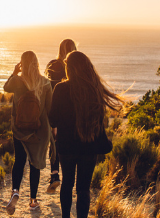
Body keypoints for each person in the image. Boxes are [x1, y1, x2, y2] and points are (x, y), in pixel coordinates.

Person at [49, 51, 124, 218]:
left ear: (69, 68)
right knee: (83, 188)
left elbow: (52, 120)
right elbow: (100, 122)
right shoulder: (94, 90)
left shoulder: (60, 89)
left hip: (66, 147)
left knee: (67, 184)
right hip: (89, 146)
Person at [3, 51, 53, 215]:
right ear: (37, 63)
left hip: (19, 129)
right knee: (35, 164)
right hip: (39, 131)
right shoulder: (46, 83)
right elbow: (49, 109)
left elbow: (5, 88)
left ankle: (15, 192)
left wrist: (14, 72)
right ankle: (33, 201)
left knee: (19, 160)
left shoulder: (17, 81)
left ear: (22, 64)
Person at [44, 38, 77, 193]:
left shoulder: (52, 64)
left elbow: (46, 84)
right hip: (73, 111)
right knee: (72, 143)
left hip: (54, 108)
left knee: (55, 142)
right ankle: (70, 176)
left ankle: (55, 175)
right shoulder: (77, 67)